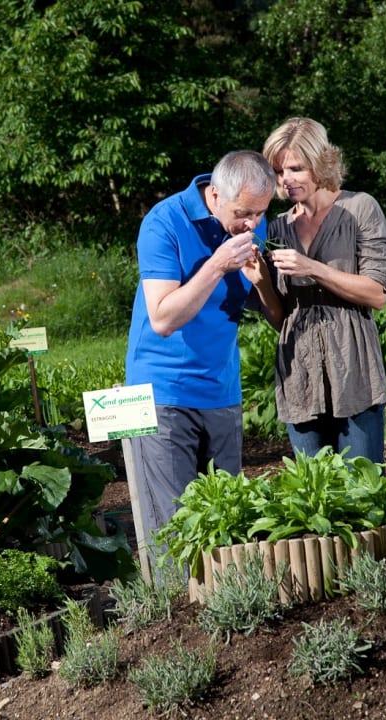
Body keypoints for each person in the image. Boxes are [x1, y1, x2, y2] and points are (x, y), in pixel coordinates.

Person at [125, 150, 278, 554]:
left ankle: (227, 609)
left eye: (260, 213)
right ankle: (172, 613)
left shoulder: (251, 228)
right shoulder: (164, 222)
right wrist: (216, 265)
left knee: (227, 522)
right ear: (214, 195)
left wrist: (263, 284)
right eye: (244, 212)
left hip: (221, 390)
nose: (252, 224)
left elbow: (269, 313)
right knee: (171, 528)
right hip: (164, 391)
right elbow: (162, 318)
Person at [258, 117, 386, 463]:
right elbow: (280, 318)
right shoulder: (277, 228)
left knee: (365, 494)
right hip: (300, 379)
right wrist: (260, 281)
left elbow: (377, 293)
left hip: (354, 373)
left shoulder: (359, 208)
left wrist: (313, 269)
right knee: (316, 500)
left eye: (296, 168)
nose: (286, 180)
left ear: (321, 163)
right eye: (278, 171)